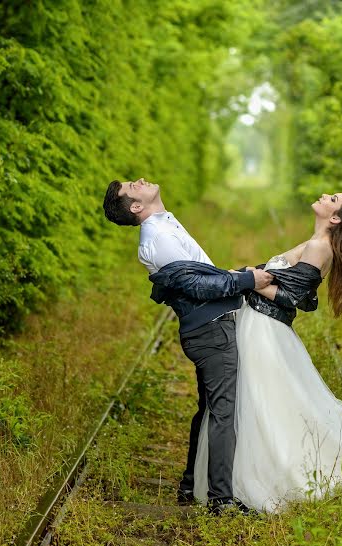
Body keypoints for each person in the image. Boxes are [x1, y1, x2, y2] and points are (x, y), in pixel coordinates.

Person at [192, 192, 342, 512]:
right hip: (260, 324)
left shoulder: (320, 247)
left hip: (265, 329)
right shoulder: (315, 242)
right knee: (258, 401)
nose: (324, 195)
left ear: (335, 218)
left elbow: (291, 296)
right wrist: (249, 275)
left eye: (332, 198)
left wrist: (247, 280)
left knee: (258, 402)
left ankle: (260, 476)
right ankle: (237, 478)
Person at [102, 178, 273, 515]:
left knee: (211, 408)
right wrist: (245, 280)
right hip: (210, 332)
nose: (137, 181)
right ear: (135, 207)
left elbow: (202, 272)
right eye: (130, 188)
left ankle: (189, 486)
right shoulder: (157, 239)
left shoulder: (163, 224)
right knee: (224, 412)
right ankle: (221, 500)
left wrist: (240, 274)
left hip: (210, 329)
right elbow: (197, 286)